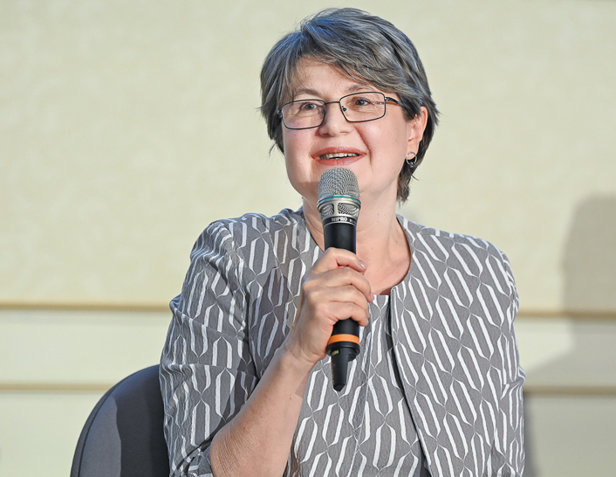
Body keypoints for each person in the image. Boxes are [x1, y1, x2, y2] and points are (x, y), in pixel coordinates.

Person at [160, 8, 524, 477]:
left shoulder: (477, 273)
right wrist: (295, 354)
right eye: (307, 106)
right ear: (282, 133)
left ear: (414, 129)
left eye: (363, 100)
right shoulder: (235, 257)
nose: (333, 125)